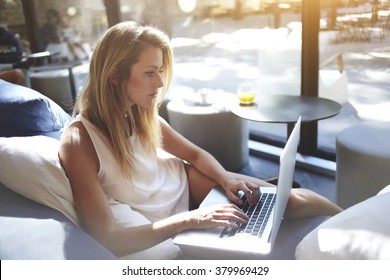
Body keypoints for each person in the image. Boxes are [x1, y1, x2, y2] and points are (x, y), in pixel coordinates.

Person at [58, 21, 342, 259]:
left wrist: (225, 179)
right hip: (177, 216)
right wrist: (192, 220)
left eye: (159, 71)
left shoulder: (139, 114)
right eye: (149, 72)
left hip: (186, 183)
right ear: (113, 75)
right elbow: (108, 237)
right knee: (267, 219)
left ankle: (353, 217)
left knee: (284, 200)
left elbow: (193, 156)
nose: (159, 83)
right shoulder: (79, 142)